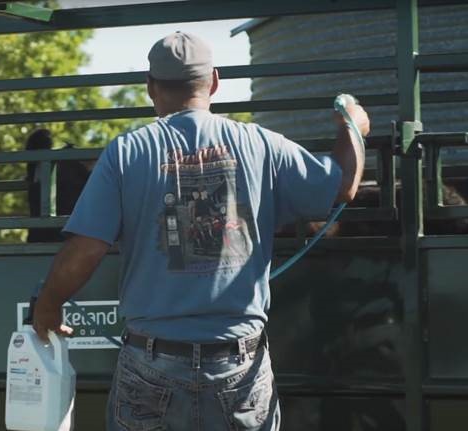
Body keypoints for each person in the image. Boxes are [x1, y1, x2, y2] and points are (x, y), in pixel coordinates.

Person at [32, 32, 368, 431]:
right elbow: (344, 183)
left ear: (150, 88)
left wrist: (49, 305)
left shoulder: (127, 152)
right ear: (213, 82)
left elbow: (86, 248)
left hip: (151, 361)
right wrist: (353, 125)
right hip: (238, 366)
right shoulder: (261, 144)